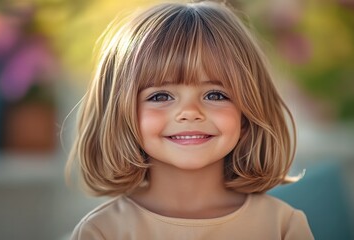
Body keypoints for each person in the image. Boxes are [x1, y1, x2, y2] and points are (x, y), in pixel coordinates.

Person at [66, 1, 314, 239]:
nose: (190, 111)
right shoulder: (102, 232)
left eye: (215, 94)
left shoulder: (282, 226)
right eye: (160, 95)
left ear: (248, 112)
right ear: (120, 112)